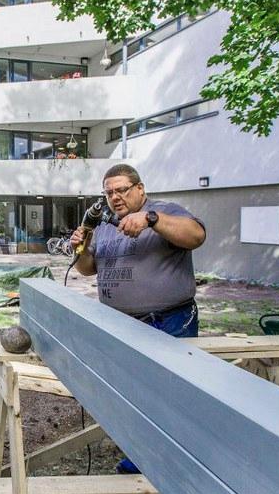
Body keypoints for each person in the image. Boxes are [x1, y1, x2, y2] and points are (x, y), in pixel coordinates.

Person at [70, 163, 206, 474]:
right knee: (134, 397)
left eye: (121, 190)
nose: (114, 197)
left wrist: (151, 220)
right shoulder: (104, 224)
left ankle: (182, 480)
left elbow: (196, 235)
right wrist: (81, 246)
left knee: (174, 401)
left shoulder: (163, 211)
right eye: (108, 192)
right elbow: (87, 269)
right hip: (122, 326)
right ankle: (142, 459)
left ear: (140, 189)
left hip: (169, 323)